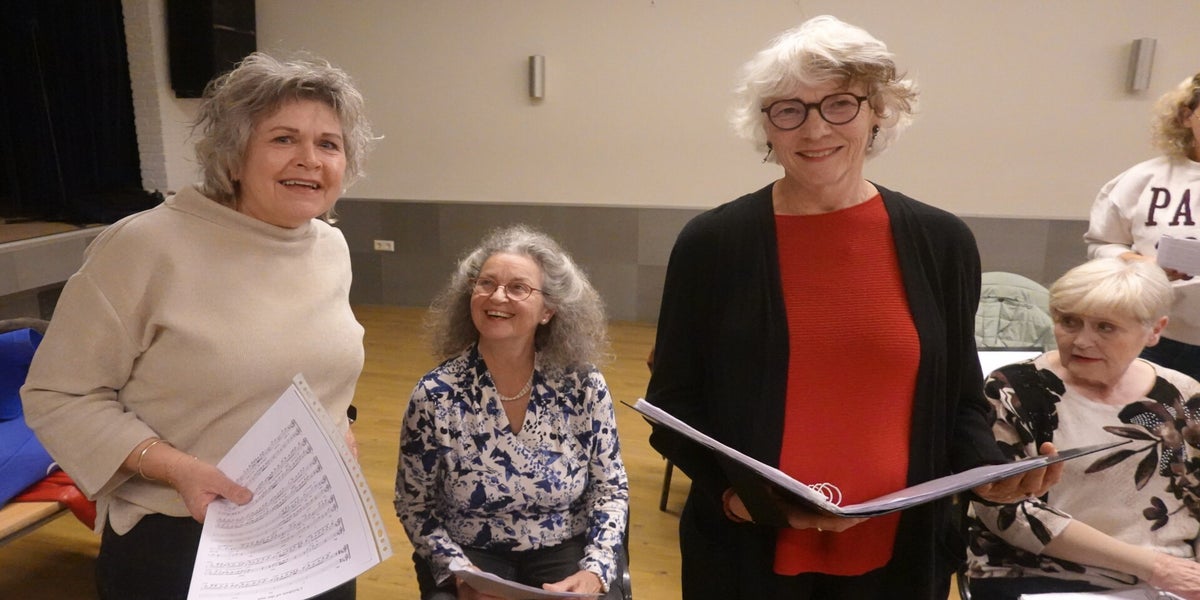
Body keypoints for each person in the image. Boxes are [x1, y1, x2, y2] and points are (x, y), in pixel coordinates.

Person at [644, 15, 1059, 600]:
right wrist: (737, 499)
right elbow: (672, 402)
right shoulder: (712, 244)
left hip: (900, 552)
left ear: (878, 111)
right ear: (766, 127)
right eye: (788, 110)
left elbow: (960, 399)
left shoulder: (942, 242)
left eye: (840, 104)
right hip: (747, 550)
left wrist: (985, 472)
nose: (815, 129)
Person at [20, 52, 375, 600]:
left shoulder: (330, 247)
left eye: (328, 144)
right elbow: (58, 395)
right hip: (181, 538)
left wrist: (339, 426)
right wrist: (175, 468)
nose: (309, 159)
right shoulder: (143, 246)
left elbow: (312, 366)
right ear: (233, 156)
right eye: (283, 139)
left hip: (310, 530)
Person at [395, 225, 629, 600]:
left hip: (564, 545)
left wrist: (594, 571)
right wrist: (458, 572)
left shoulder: (582, 386)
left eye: (518, 287)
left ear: (548, 309)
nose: (497, 296)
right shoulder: (435, 394)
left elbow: (610, 489)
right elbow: (414, 503)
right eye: (486, 283)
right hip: (471, 551)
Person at [964, 257, 1200, 599]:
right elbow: (1005, 509)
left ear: (1155, 330)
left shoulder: (1185, 395)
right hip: (1040, 576)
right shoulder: (1014, 390)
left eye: (1105, 327)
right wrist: (1155, 568)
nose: (1082, 341)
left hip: (1173, 579)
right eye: (1069, 321)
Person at [1085, 71, 1200, 380]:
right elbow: (1100, 244)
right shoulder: (1143, 179)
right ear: (1186, 116)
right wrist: (1140, 263)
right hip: (1151, 334)